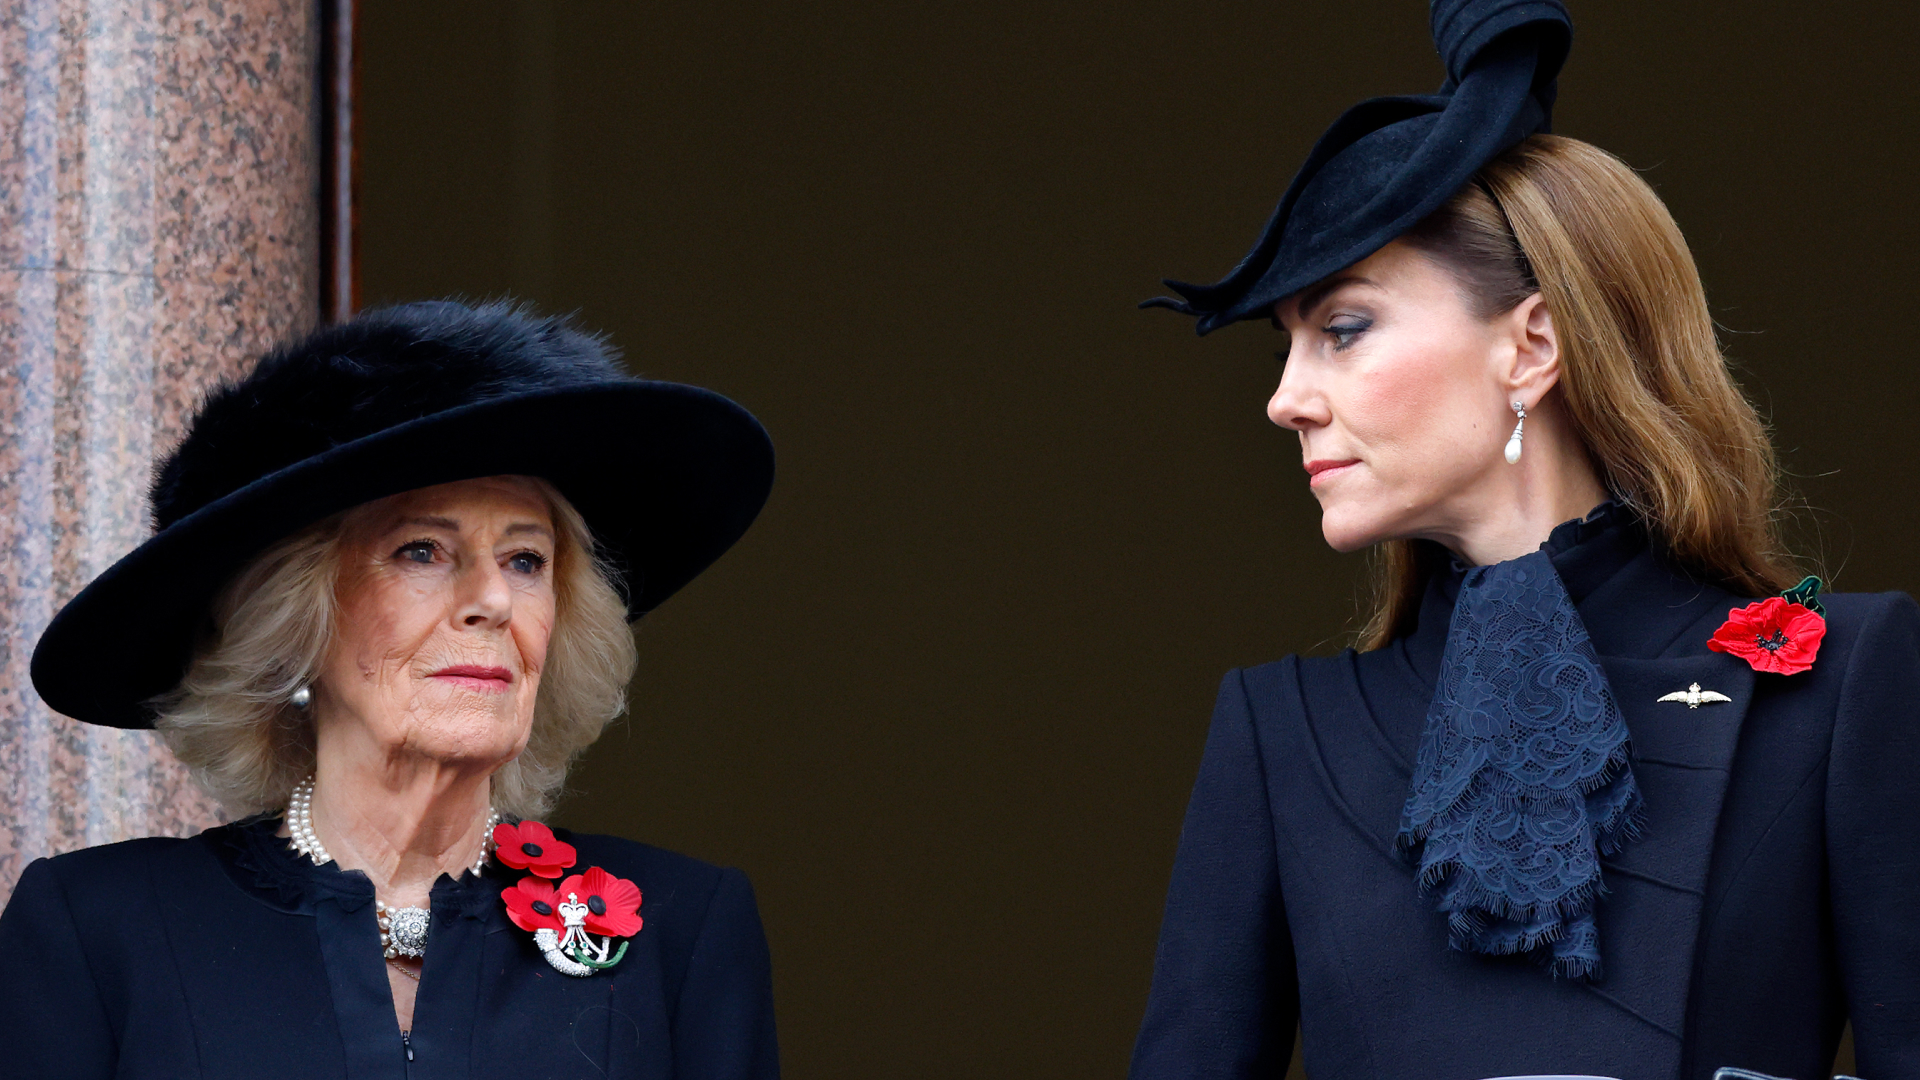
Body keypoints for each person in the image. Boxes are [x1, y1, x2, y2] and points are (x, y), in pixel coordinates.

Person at [1130, 3, 1920, 1078]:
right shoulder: (1276, 735)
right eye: (1287, 348)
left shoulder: (1840, 682)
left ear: (1532, 346)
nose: (1284, 401)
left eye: (1343, 329)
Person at [0, 301, 782, 1079]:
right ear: (294, 621)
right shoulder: (98, 931)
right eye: (422, 550)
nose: (494, 601)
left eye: (525, 561)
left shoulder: (680, 933)